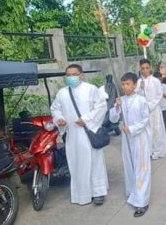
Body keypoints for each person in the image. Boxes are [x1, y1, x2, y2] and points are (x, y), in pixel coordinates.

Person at [51, 64, 108, 206]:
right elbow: (55, 109)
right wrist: (60, 120)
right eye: (68, 75)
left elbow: (101, 106)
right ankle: (82, 194)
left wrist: (87, 120)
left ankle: (98, 193)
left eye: (74, 74)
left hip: (89, 132)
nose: (71, 77)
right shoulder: (62, 93)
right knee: (77, 164)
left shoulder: (91, 89)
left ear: (81, 75)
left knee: (94, 162)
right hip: (73, 135)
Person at [109, 72, 151, 217]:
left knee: (141, 169)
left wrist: (132, 128)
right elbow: (113, 119)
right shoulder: (122, 100)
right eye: (123, 84)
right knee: (129, 166)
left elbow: (145, 120)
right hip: (127, 140)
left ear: (134, 84)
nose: (125, 87)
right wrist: (116, 107)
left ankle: (142, 202)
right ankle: (133, 192)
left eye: (128, 84)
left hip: (139, 138)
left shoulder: (141, 100)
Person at [136, 59, 166, 159]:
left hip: (154, 110)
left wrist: (150, 106)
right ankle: (148, 150)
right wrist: (140, 88)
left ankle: (157, 151)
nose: (144, 70)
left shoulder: (155, 81)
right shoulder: (138, 82)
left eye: (146, 68)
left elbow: (159, 95)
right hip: (143, 110)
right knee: (146, 131)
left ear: (150, 68)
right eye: (142, 68)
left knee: (156, 130)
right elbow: (136, 95)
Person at [153, 71, 166, 138]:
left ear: (161, 79)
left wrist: (162, 93)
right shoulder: (151, 87)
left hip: (164, 108)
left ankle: (165, 136)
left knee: (164, 123)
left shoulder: (164, 86)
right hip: (155, 108)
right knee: (157, 124)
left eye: (159, 79)